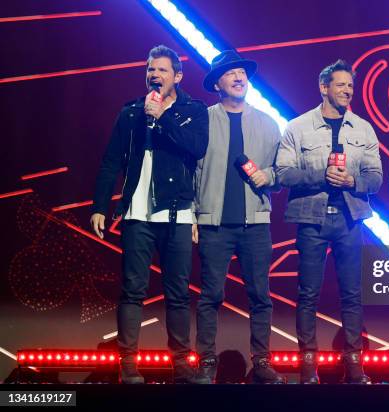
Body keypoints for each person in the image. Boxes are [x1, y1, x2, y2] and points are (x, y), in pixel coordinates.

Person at [91, 45, 208, 384]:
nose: (155, 76)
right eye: (150, 70)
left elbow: (197, 148)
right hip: (137, 214)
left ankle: (182, 364)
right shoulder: (130, 112)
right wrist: (100, 206)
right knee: (132, 289)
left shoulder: (193, 110)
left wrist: (163, 117)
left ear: (178, 76)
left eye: (162, 70)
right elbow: (111, 160)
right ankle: (127, 363)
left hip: (177, 214)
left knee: (178, 292)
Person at [275, 60, 383, 384]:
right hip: (312, 219)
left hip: (350, 221)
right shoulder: (297, 127)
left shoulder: (363, 128)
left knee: (352, 294)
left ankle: (354, 366)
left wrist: (353, 181)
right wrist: (319, 176)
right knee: (308, 293)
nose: (348, 91)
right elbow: (283, 173)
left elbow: (376, 177)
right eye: (341, 85)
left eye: (351, 86)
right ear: (324, 87)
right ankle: (308, 366)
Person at [193, 50, 285, 384]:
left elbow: (283, 168)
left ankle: (261, 362)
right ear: (217, 83)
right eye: (230, 73)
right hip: (213, 224)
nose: (238, 77)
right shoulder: (204, 119)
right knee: (210, 296)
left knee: (260, 295)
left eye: (242, 72)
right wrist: (192, 216)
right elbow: (192, 171)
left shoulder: (267, 122)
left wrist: (269, 177)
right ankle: (206, 362)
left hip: (255, 223)